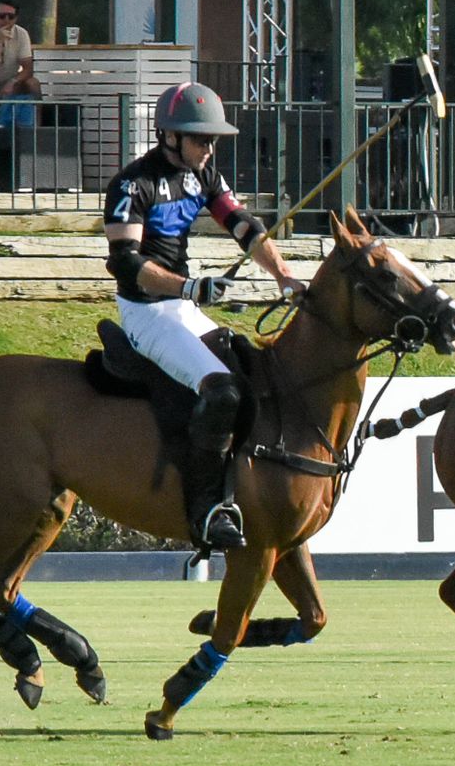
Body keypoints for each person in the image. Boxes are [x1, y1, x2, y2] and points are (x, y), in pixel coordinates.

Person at [103, 82, 306, 552]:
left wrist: (284, 276)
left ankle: (252, 491)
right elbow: (128, 265)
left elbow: (245, 228)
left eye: (212, 140)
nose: (209, 147)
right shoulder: (132, 184)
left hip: (182, 307)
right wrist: (189, 286)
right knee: (222, 391)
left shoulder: (204, 174)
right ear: (170, 136)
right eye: (201, 139)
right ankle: (206, 509)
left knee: (252, 374)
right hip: (147, 313)